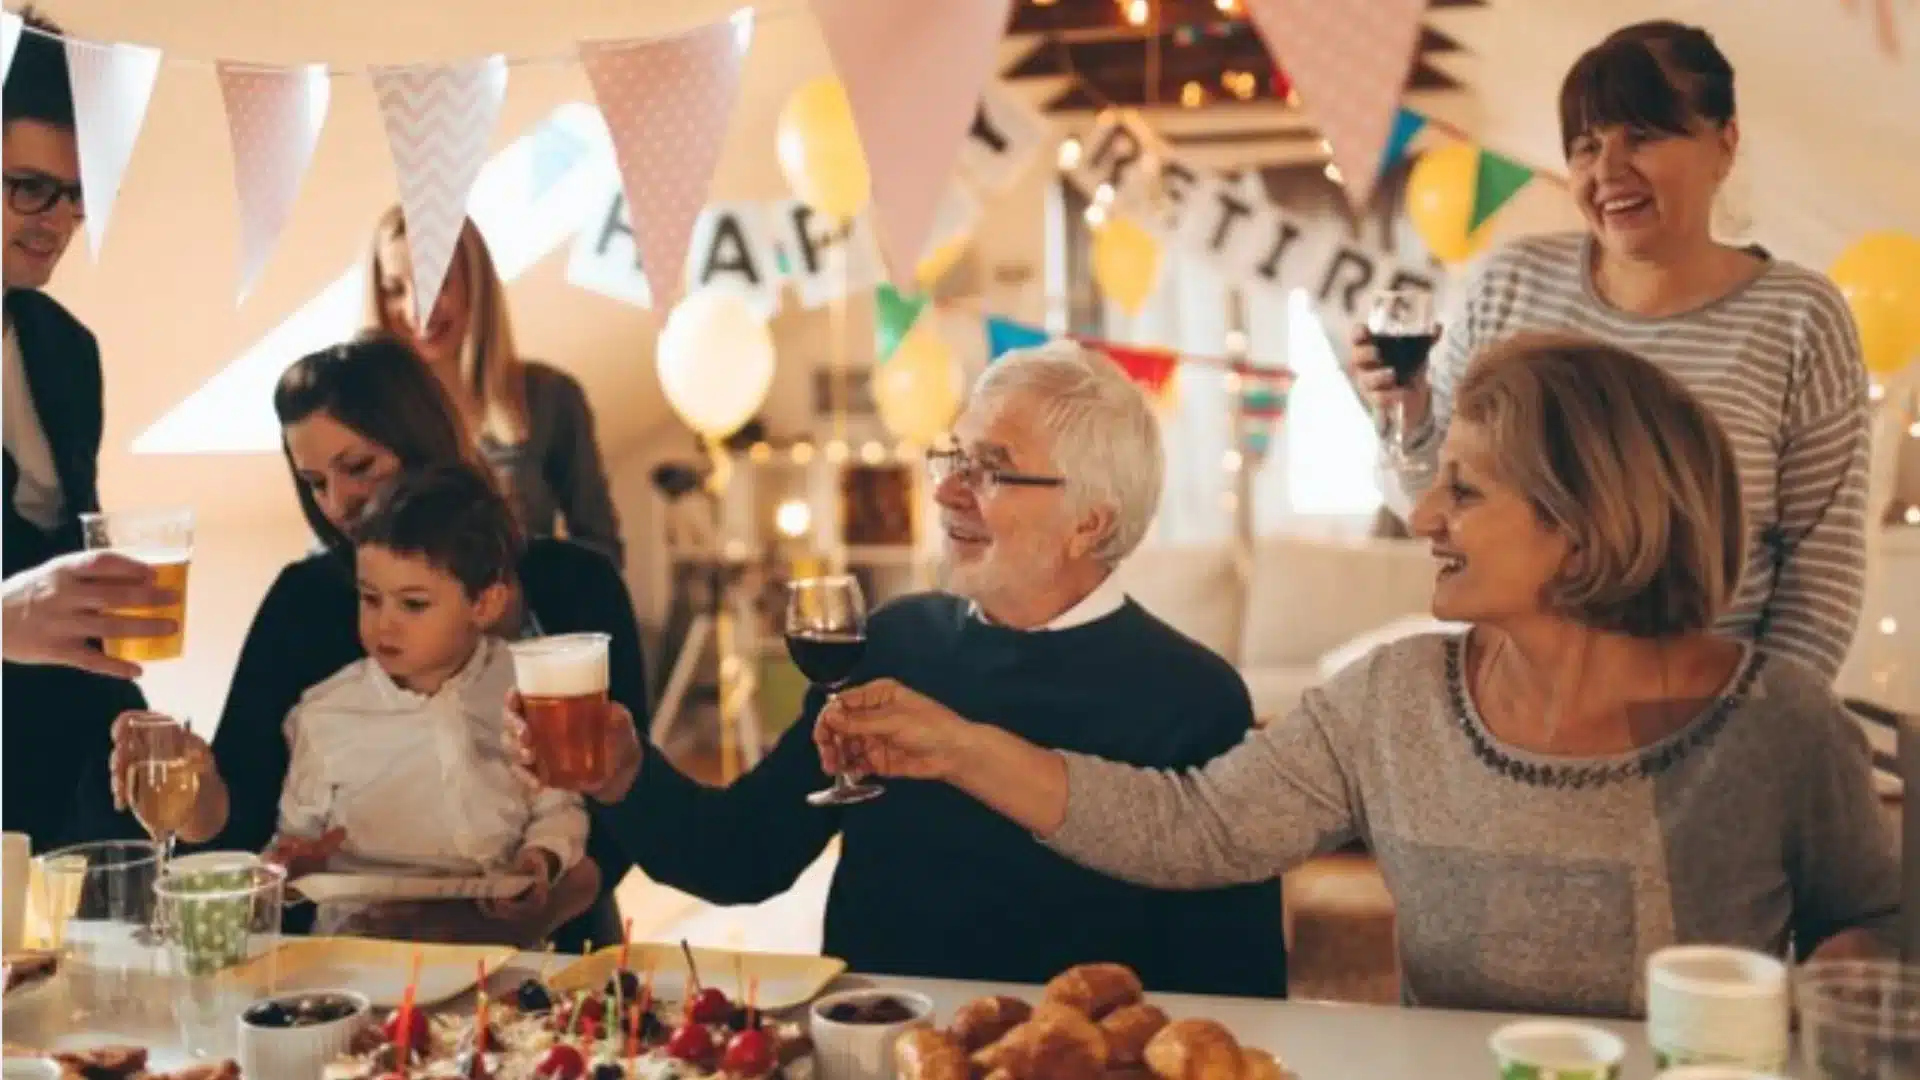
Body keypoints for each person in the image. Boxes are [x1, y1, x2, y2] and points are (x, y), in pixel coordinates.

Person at [822, 335, 1901, 1020]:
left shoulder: (1778, 727)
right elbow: (1189, 827)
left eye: (1464, 492)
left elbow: (1874, 922)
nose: (1423, 515)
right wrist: (958, 746)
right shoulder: (1396, 701)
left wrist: (1844, 997)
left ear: (1583, 527)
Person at [510, 342, 1290, 997]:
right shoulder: (892, 642)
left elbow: (1239, 992)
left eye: (991, 469)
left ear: (1090, 521)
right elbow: (743, 856)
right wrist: (624, 775)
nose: (945, 490)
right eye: (954, 457)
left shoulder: (1195, 701)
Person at [87, 332, 644, 950]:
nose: (339, 504)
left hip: (555, 945)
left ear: (423, 440)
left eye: (358, 468)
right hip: (360, 956)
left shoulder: (575, 585)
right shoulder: (304, 602)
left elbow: (627, 807)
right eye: (314, 482)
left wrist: (520, 913)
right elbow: (243, 821)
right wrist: (192, 786)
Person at [1354, 20, 1869, 685]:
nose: (1607, 171)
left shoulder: (1800, 317)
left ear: (1725, 143)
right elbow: (1434, 505)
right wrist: (1411, 411)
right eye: (1586, 145)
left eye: (1643, 136)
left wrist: (1758, 719)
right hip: (1516, 698)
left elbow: (1822, 575)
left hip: (1705, 701)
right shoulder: (1511, 283)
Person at [266, 462, 594, 944]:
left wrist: (538, 861)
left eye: (413, 604)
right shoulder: (324, 715)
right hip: (361, 950)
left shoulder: (528, 689)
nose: (384, 624)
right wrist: (294, 864)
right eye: (370, 599)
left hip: (494, 945)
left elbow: (560, 809)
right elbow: (291, 846)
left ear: (485, 604)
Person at [0, 8, 173, 848]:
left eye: (77, 195)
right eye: (29, 186)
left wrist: (139, 726)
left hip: (58, 799)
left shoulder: (67, 349)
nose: (57, 220)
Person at [367, 207, 623, 566]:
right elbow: (329, 559)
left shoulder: (550, 398)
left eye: (435, 283)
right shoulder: (363, 418)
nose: (417, 311)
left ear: (475, 282)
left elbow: (600, 550)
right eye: (395, 290)